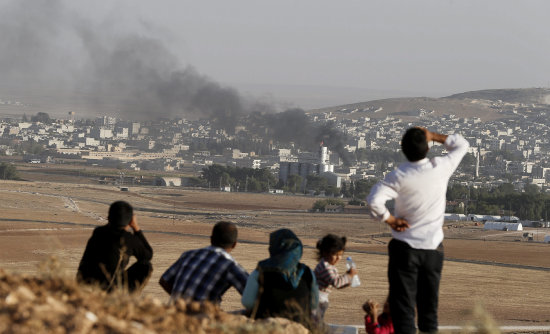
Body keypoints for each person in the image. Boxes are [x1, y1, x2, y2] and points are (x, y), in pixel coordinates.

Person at [367, 127, 469, 334]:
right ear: (427, 147)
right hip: (433, 250)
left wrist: (391, 220)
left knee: (403, 309)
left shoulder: (399, 175)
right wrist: (433, 136)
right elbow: (462, 144)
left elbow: (374, 200)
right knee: (428, 309)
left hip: (404, 249)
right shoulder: (440, 166)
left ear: (403, 149)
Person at [242, 228, 319, 330]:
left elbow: (247, 302)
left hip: (267, 329)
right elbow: (314, 305)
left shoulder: (261, 271)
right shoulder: (308, 273)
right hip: (300, 329)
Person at [159, 221, 248, 303]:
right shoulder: (230, 266)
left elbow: (164, 280)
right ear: (234, 244)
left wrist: (181, 301)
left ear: (211, 239)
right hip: (202, 316)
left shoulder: (189, 255)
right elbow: (251, 295)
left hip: (173, 314)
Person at [77, 200, 153, 293]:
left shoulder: (98, 232)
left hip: (86, 283)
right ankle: (125, 297)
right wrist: (136, 228)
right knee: (146, 266)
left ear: (108, 217)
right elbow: (147, 256)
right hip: (111, 288)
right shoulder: (128, 239)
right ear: (129, 221)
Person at [313, 234, 357, 319]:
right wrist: (348, 276)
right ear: (325, 253)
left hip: (321, 298)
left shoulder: (329, 266)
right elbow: (336, 283)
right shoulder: (325, 267)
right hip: (317, 299)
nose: (338, 258)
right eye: (335, 254)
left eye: (340, 255)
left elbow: (337, 285)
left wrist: (348, 282)